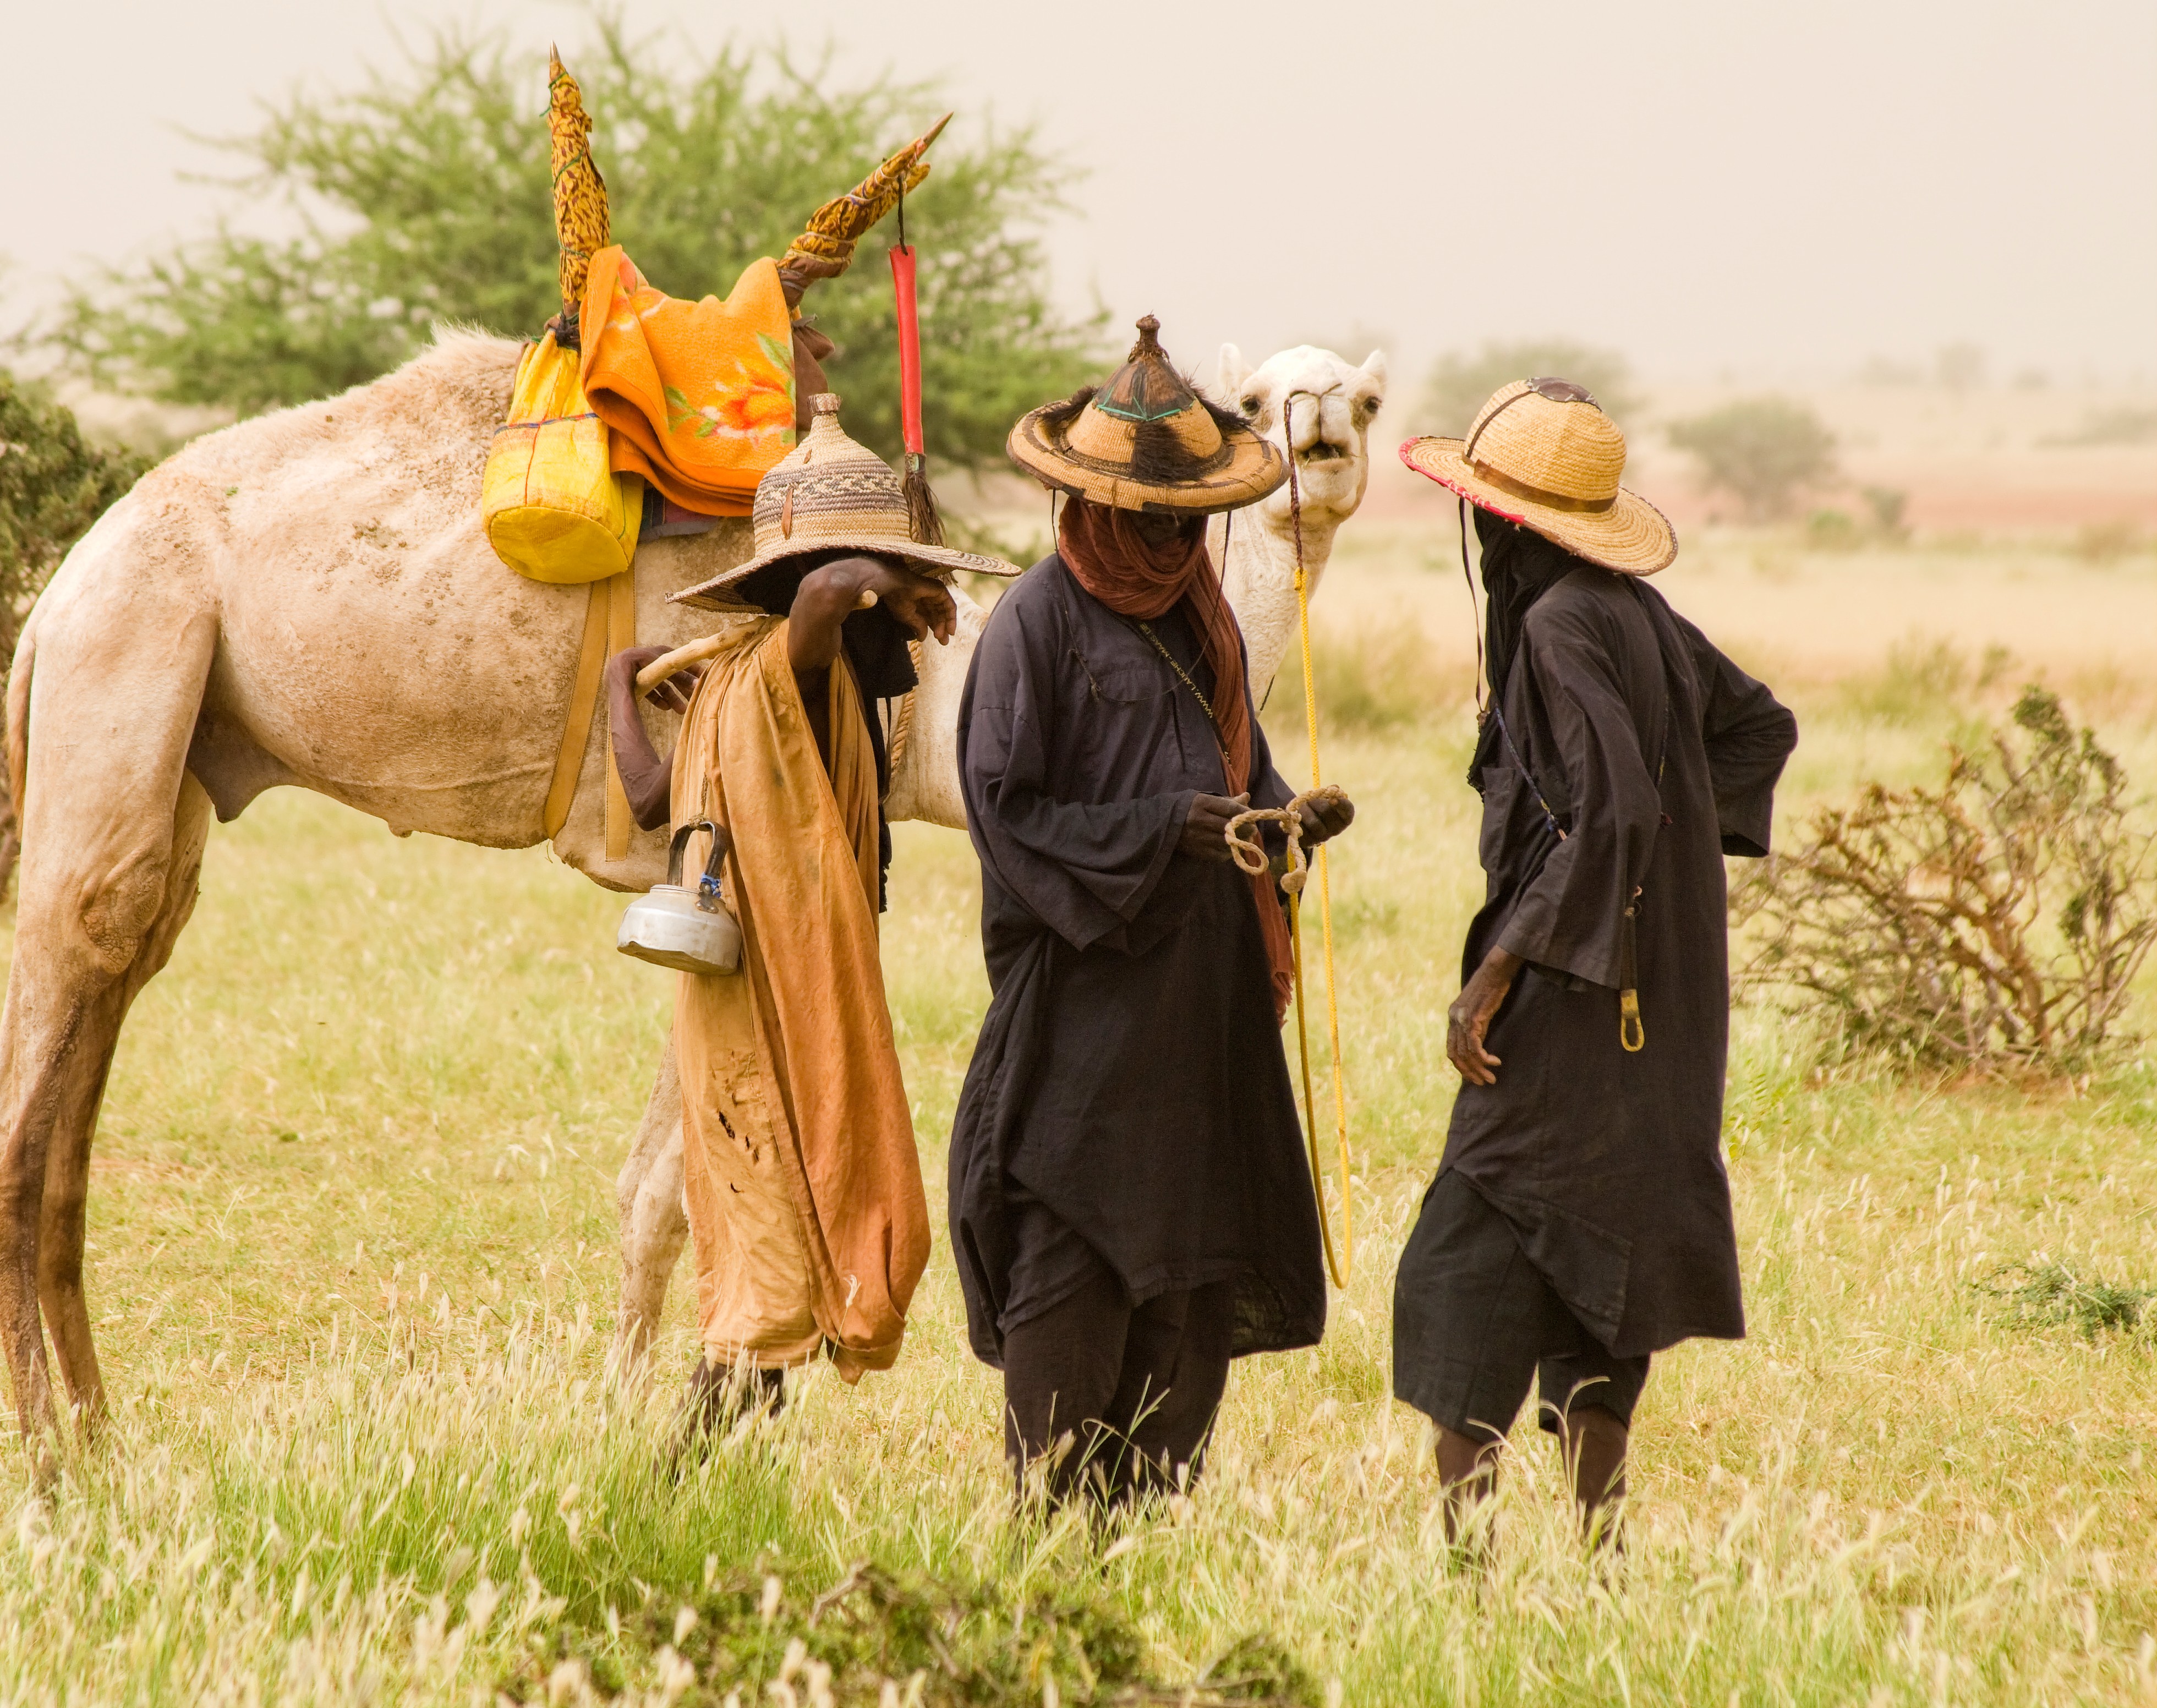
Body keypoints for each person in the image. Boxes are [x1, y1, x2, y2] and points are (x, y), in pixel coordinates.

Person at [949, 317, 1354, 1511]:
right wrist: (1162, 828)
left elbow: (1242, 769)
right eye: (1149, 518)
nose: (1170, 538)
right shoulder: (1034, 623)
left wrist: (1281, 824)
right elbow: (1006, 811)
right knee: (1069, 1252)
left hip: (1202, 1011)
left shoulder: (1204, 619)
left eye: (1188, 520)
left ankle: (1142, 1534)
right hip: (1084, 1020)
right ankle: (1048, 1533)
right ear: (1090, 505)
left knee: (1189, 1261)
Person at [1392, 378, 1799, 1553]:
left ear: (1500, 526)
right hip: (1655, 1007)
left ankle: (1466, 1564)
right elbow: (1755, 728)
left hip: (1570, 1012)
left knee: (1459, 1259)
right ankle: (1597, 1546)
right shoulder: (1637, 611)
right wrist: (1663, 889)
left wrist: (1494, 974)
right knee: (1601, 1248)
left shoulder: (1559, 621)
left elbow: (1611, 807)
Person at [606, 395, 1013, 1441]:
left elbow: (651, 802)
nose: (912, 658)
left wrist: (620, 688)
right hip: (767, 1002)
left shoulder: (737, 685)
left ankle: (728, 1460)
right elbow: (832, 584)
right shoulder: (793, 667)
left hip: (756, 996)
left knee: (774, 1213)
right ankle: (690, 1476)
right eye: (897, 625)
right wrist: (904, 582)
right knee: (774, 1224)